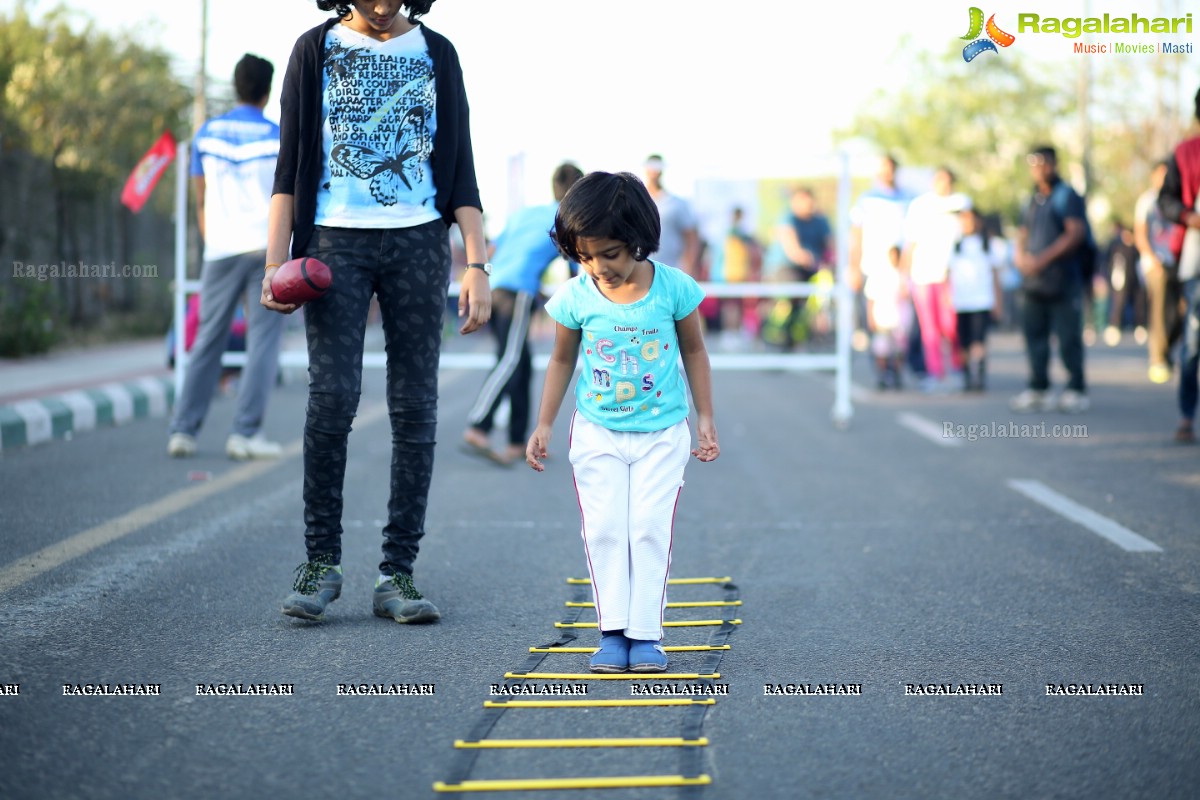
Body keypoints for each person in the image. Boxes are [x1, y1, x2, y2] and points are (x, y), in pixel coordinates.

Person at [264, 0, 492, 623]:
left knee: (415, 403)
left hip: (420, 241)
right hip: (332, 244)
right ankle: (320, 563)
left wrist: (476, 264)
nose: (383, 6)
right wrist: (273, 263)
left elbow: (462, 172)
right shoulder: (313, 50)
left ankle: (398, 574)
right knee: (332, 397)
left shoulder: (438, 54)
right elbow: (288, 171)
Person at [525, 172, 719, 673]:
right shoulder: (576, 295)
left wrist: (706, 417)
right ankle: (612, 633)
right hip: (597, 432)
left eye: (609, 253)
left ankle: (645, 636)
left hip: (662, 433)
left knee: (648, 529)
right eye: (584, 256)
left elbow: (694, 350)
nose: (598, 266)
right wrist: (544, 424)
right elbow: (561, 361)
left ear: (637, 239)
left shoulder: (673, 288)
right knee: (606, 530)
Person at [167, 54, 286, 461]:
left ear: (236, 87)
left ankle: (183, 431)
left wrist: (210, 237)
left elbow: (199, 196)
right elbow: (288, 199)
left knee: (207, 339)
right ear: (267, 92)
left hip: (219, 249)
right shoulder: (277, 135)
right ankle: (245, 433)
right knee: (263, 342)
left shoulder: (206, 135)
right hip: (265, 251)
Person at [462, 162, 584, 466]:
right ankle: (479, 426)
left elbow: (493, 250)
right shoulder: (565, 218)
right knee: (511, 358)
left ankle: (517, 442)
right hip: (517, 292)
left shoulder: (526, 213)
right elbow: (575, 265)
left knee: (523, 364)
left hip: (495, 286)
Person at [1010, 146, 1089, 414]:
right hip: (1034, 282)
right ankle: (1038, 388)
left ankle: (1075, 388)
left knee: (1068, 337)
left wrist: (1042, 259)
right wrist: (1020, 257)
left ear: (1054, 164)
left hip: (1062, 279)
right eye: (1033, 164)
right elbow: (1022, 232)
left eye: (1043, 163)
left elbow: (1075, 233)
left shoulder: (1067, 195)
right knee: (1035, 337)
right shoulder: (1031, 199)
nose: (1038, 169)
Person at [902, 167, 971, 392]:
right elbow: (910, 243)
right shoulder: (920, 206)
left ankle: (958, 369)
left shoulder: (961, 203)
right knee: (929, 329)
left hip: (951, 277)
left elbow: (969, 233)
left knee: (951, 326)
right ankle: (935, 373)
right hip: (923, 275)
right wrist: (904, 277)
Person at [1157, 87, 1200, 444]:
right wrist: (1189, 217)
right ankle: (1187, 415)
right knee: (1194, 340)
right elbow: (1165, 200)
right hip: (1196, 260)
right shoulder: (1186, 153)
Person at [849, 155, 912, 362]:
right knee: (877, 323)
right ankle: (882, 369)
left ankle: (900, 367)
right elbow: (856, 236)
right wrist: (854, 268)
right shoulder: (866, 200)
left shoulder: (908, 199)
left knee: (902, 325)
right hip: (874, 270)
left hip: (901, 271)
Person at [765, 186, 833, 350]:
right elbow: (793, 250)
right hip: (785, 268)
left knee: (821, 295)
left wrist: (829, 262)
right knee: (791, 296)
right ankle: (775, 331)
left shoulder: (820, 221)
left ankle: (813, 332)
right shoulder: (788, 218)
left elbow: (831, 246)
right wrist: (809, 258)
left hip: (811, 268)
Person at [1136, 161, 1183, 385]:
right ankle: (1157, 359)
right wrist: (1152, 258)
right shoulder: (1147, 200)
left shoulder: (1179, 199)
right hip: (1156, 263)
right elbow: (1140, 233)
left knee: (1182, 310)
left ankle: (1167, 350)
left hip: (1179, 261)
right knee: (1160, 311)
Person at [948, 208, 1004, 391]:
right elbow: (948, 275)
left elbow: (995, 275)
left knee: (978, 340)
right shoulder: (955, 246)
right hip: (961, 302)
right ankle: (966, 375)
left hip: (981, 301)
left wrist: (998, 301)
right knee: (964, 342)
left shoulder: (988, 245)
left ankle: (979, 375)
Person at [643, 155, 701, 278]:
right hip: (641, 272)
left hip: (671, 271)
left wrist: (689, 268)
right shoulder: (636, 202)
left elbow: (691, 238)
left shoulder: (676, 203)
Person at [867, 245, 910, 390]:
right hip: (882, 317)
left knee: (899, 350)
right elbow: (870, 298)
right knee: (881, 349)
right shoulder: (878, 275)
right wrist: (871, 317)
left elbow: (908, 295)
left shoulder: (902, 275)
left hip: (899, 319)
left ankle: (896, 375)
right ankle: (883, 375)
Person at [1100, 220, 1145, 347]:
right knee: (1118, 304)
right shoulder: (1116, 246)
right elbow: (1108, 261)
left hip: (1135, 279)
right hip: (1120, 279)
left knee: (1139, 303)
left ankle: (1140, 326)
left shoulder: (1135, 247)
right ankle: (1114, 327)